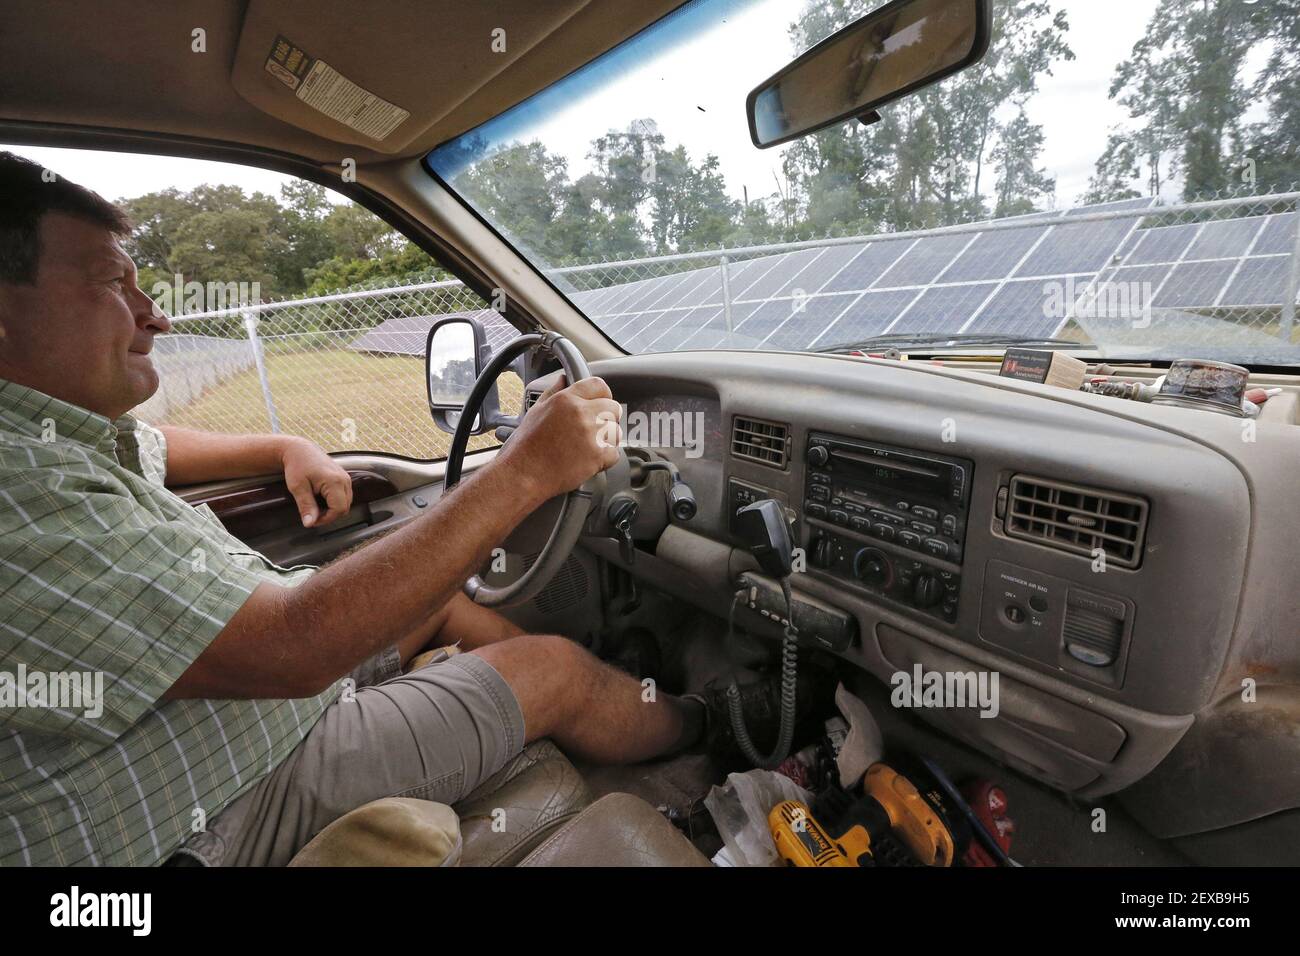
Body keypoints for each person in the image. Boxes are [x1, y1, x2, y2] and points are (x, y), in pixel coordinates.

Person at [0, 152, 708, 866]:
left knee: (437, 603)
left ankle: (606, 694)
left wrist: (283, 444)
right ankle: (705, 725)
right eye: (112, 283)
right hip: (215, 807)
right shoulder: (14, 490)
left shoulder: (47, 433)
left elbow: (155, 445)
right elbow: (292, 649)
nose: (154, 315)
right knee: (552, 669)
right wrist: (523, 473)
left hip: (251, 704)